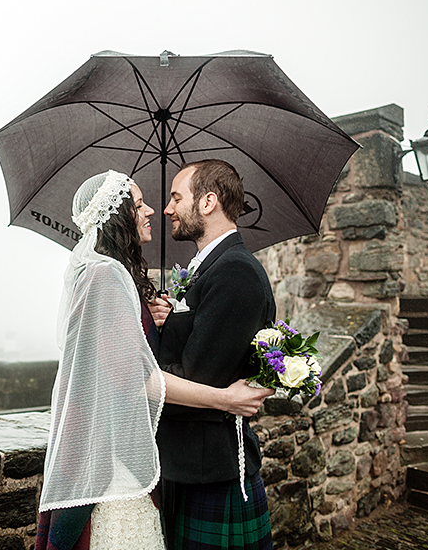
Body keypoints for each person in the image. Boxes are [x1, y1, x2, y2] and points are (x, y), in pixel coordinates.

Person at [36, 170, 272, 550]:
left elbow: (142, 363)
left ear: (208, 202)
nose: (156, 210)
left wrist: (158, 319)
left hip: (183, 463)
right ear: (118, 215)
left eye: (174, 198)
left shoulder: (117, 276)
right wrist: (225, 399)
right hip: (123, 464)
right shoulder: (105, 276)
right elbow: (134, 377)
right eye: (140, 203)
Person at [154, 159, 276, 550]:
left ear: (208, 202)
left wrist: (139, 375)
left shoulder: (234, 272)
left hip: (213, 469)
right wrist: (170, 320)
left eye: (176, 198)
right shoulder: (210, 269)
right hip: (192, 466)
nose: (168, 208)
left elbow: (198, 380)